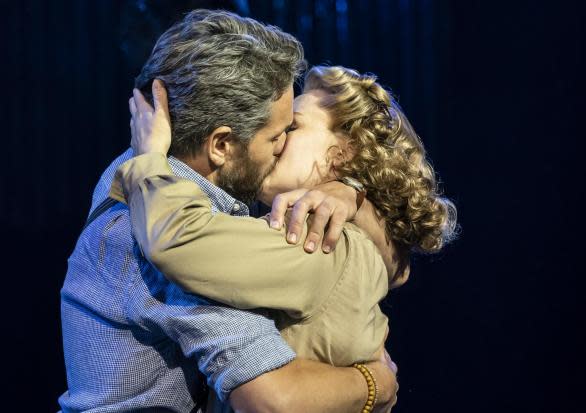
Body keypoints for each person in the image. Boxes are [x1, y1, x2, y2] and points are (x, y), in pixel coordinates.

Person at [59, 10, 397, 413]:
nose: (283, 145)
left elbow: (395, 262)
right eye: (277, 134)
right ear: (222, 145)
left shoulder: (135, 169)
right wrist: (375, 382)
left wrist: (348, 191)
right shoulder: (158, 242)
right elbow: (273, 401)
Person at [113, 64, 457, 384]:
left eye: (292, 126)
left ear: (344, 153)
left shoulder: (317, 236)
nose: (273, 135)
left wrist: (149, 159)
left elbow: (179, 239)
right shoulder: (346, 231)